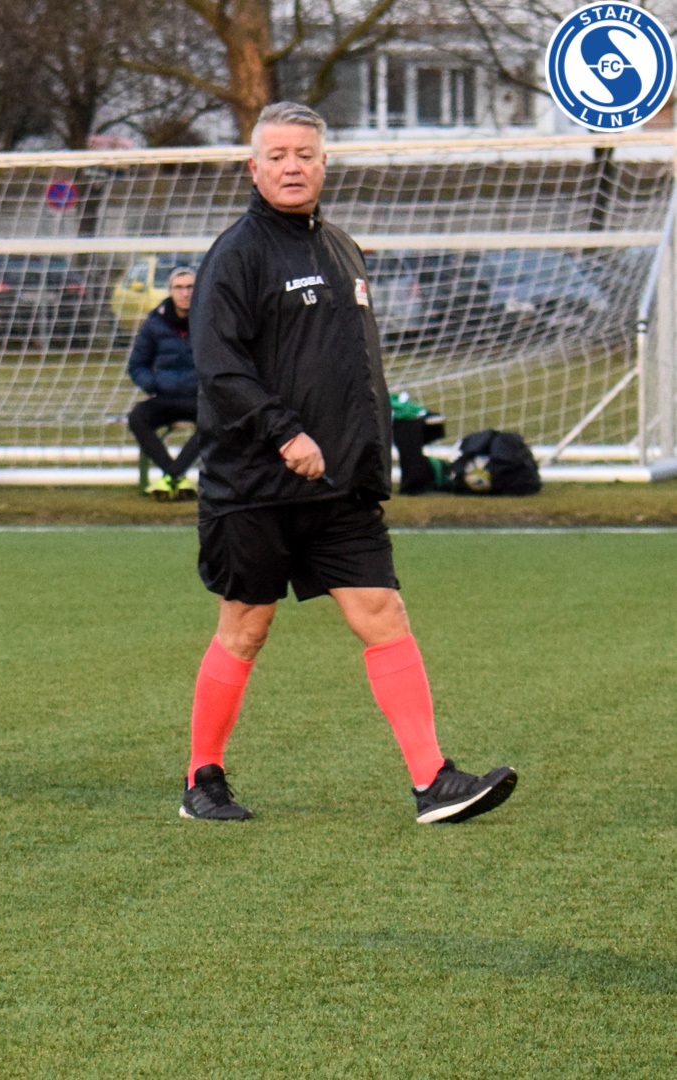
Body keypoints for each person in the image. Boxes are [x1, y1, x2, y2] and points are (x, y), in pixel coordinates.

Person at [182, 102, 517, 824]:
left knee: (384, 614)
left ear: (325, 164)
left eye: (304, 154)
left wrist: (369, 460)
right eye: (277, 156)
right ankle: (202, 778)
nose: (292, 166)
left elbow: (357, 369)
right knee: (245, 629)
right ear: (253, 168)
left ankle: (433, 780)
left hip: (339, 488)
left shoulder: (341, 249)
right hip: (256, 483)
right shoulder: (235, 255)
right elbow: (218, 366)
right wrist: (284, 434)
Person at [126, 266, 200, 500]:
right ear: (170, 291)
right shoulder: (154, 323)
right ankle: (176, 475)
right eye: (179, 287)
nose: (185, 293)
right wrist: (153, 384)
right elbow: (137, 365)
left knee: (217, 421)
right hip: (165, 396)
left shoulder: (210, 320)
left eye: (190, 287)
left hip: (199, 399)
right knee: (137, 417)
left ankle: (171, 477)